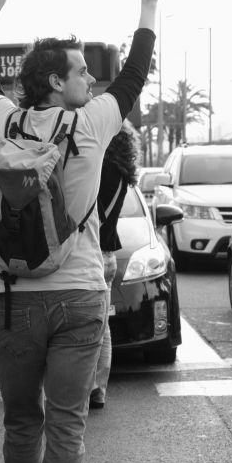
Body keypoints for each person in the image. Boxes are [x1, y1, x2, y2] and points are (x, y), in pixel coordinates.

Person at [0, 0, 160, 463]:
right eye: (81, 71)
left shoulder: (4, 121)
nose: (91, 78)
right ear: (58, 81)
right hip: (78, 294)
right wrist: (148, 4)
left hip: (12, 295)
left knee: (22, 421)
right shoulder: (94, 123)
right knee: (67, 428)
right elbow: (134, 73)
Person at [90, 120, 141, 410]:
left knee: (84, 326)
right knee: (102, 326)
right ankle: (98, 388)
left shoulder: (98, 170)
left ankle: (81, 388)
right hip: (109, 255)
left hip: (90, 255)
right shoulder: (122, 175)